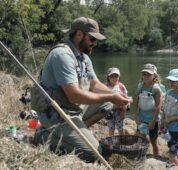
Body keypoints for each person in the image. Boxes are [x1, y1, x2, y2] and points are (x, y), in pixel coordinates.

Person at [32, 17, 131, 163]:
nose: (95, 43)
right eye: (92, 39)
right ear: (79, 35)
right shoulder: (62, 55)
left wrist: (115, 94)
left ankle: (76, 131)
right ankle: (45, 134)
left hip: (73, 109)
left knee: (108, 103)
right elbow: (74, 96)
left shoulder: (84, 57)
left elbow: (95, 85)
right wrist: (110, 97)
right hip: (55, 112)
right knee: (94, 154)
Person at [133, 63, 162, 155]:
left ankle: (156, 156)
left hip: (153, 119)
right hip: (142, 118)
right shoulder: (140, 86)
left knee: (153, 141)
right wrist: (136, 116)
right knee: (139, 138)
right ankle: (140, 154)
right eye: (144, 73)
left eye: (149, 74)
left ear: (154, 75)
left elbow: (158, 107)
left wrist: (153, 121)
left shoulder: (156, 89)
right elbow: (137, 102)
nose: (145, 76)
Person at [104, 67, 128, 136]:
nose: (114, 78)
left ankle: (121, 140)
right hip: (109, 110)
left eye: (116, 76)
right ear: (108, 77)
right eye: (112, 76)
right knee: (111, 128)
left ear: (119, 76)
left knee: (121, 128)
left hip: (119, 110)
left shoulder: (121, 86)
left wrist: (123, 111)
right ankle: (111, 142)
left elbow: (126, 99)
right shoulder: (104, 86)